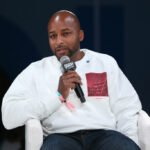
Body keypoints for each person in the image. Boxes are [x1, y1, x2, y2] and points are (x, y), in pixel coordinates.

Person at [2, 10, 142, 150]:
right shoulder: (37, 70)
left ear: (80, 35)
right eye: (53, 36)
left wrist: (129, 141)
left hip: (104, 135)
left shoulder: (104, 63)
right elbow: (8, 116)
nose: (59, 41)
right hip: (60, 136)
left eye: (66, 33)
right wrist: (57, 97)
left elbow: (127, 108)